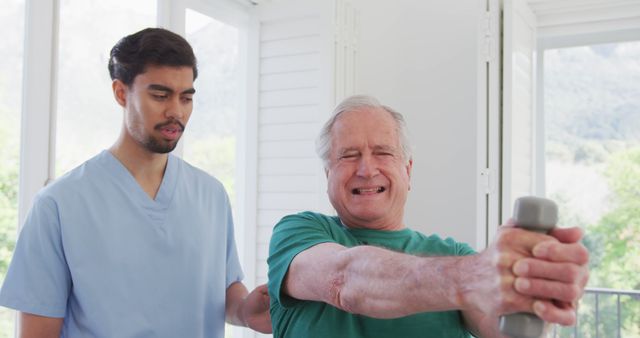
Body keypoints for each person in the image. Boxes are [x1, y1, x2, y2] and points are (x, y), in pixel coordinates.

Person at [0, 28, 271, 338]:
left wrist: (246, 311)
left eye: (186, 98)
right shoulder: (59, 204)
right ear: (120, 93)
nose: (176, 112)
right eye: (160, 95)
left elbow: (223, 290)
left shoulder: (211, 195)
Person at [267, 95, 589, 337]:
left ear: (407, 170)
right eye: (349, 156)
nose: (366, 169)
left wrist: (532, 289)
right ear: (328, 174)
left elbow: (499, 328)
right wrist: (473, 277)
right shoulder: (297, 233)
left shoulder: (456, 256)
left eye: (383, 153)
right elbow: (344, 279)